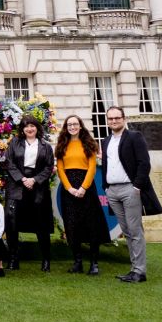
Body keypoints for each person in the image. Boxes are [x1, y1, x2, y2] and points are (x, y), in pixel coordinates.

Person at [101, 106, 162, 283]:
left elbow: (144, 163)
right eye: (110, 119)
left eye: (116, 118)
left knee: (135, 230)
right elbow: (106, 165)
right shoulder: (106, 141)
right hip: (112, 191)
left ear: (123, 118)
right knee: (126, 231)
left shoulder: (135, 137)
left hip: (130, 189)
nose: (113, 121)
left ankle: (139, 271)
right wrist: (106, 187)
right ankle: (133, 269)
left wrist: (137, 187)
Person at [55, 115, 111, 276]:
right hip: (69, 189)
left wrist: (83, 188)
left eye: (75, 124)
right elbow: (60, 169)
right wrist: (69, 188)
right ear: (66, 127)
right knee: (72, 226)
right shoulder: (61, 145)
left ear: (80, 126)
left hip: (86, 188)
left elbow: (92, 167)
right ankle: (77, 262)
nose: (72, 127)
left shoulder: (89, 144)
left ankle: (94, 263)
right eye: (69, 124)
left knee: (91, 225)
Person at [5, 114, 55, 271]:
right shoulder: (14, 143)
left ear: (37, 128)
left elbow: (49, 167)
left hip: (38, 187)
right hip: (17, 186)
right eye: (26, 126)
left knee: (42, 224)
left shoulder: (45, 146)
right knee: (12, 223)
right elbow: (9, 162)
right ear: (22, 129)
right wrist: (22, 179)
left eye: (32, 125)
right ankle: (13, 259)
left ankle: (46, 260)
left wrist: (34, 180)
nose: (29, 129)